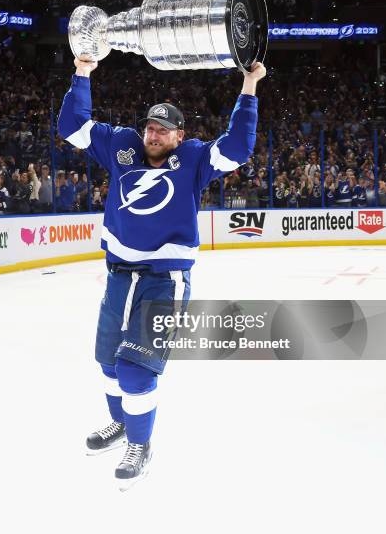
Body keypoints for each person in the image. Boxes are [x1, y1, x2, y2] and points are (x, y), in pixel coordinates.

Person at [58, 55, 265, 490]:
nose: (153, 134)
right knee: (108, 365)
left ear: (180, 136)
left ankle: (141, 444)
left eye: (163, 130)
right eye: (150, 127)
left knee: (135, 371)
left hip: (164, 280)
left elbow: (238, 148)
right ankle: (121, 426)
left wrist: (249, 86)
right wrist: (82, 72)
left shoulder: (192, 160)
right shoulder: (121, 145)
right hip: (118, 274)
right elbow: (72, 127)